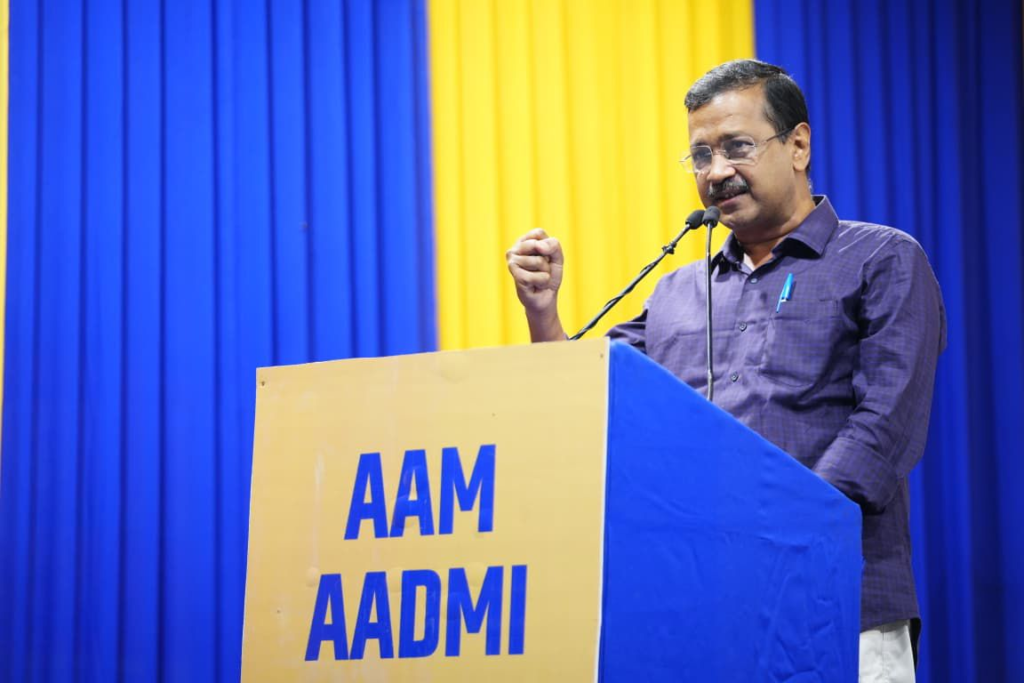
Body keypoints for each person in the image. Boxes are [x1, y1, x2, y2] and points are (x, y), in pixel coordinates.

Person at [505, 59, 945, 682]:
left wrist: (771, 532)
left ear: (798, 145)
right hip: (702, 616)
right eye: (700, 155)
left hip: (838, 607)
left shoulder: (881, 259)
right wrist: (543, 311)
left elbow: (884, 429)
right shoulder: (677, 293)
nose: (715, 172)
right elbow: (586, 401)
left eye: (737, 147)